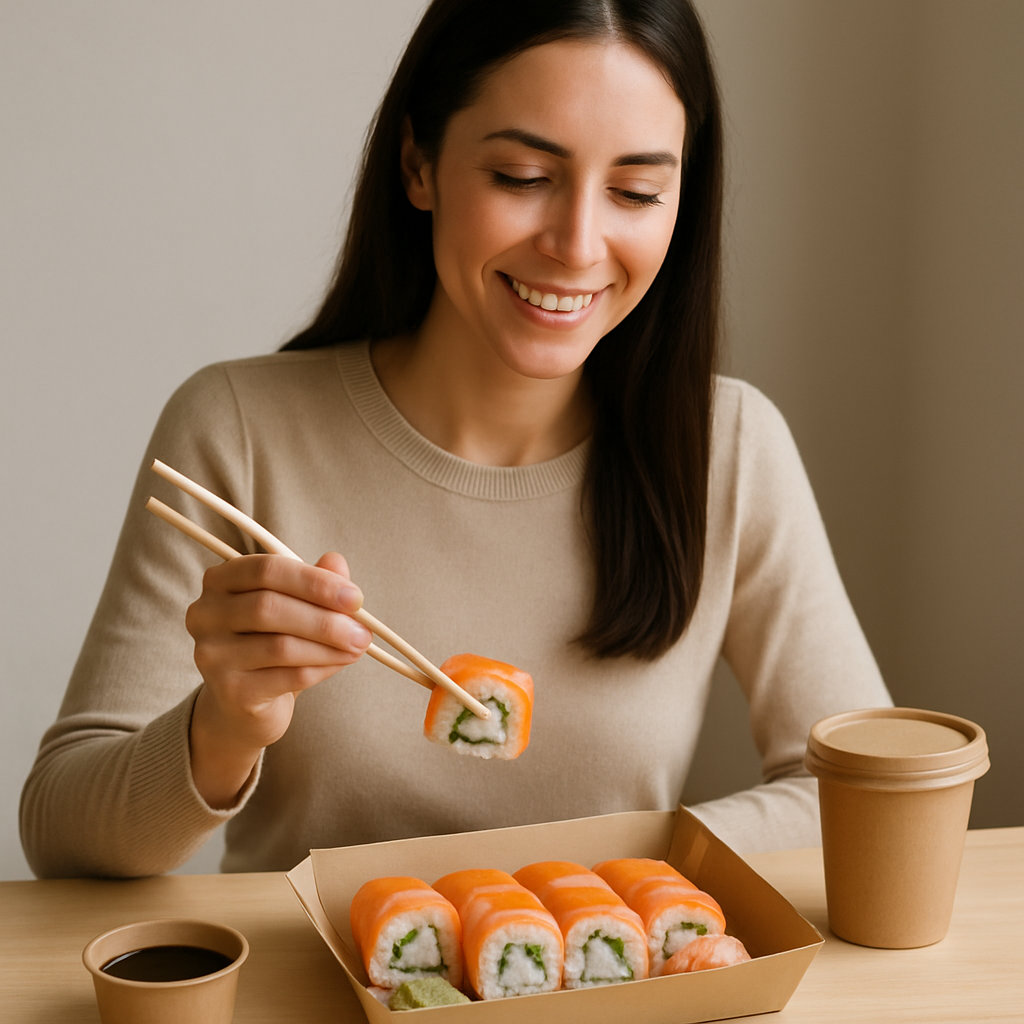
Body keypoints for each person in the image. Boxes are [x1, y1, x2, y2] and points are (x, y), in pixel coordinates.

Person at [20, 0, 890, 878]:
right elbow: (60, 834)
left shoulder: (728, 446)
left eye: (635, 192)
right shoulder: (239, 429)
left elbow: (866, 790)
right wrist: (223, 728)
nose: (577, 245)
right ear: (419, 164)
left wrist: (600, 880)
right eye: (522, 176)